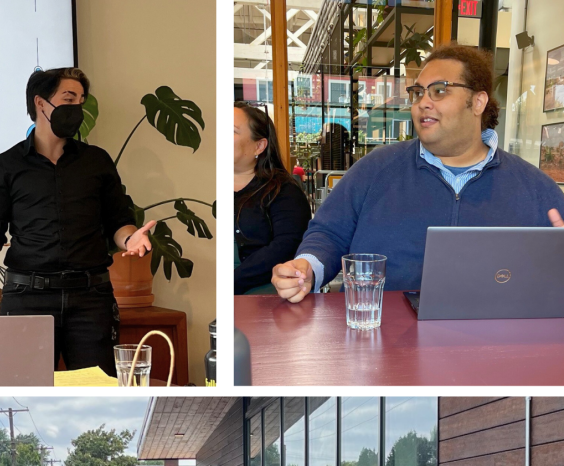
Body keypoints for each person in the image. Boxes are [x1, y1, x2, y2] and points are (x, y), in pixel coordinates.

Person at [272, 44, 564, 300]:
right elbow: (329, 233)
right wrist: (307, 268)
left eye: (439, 90)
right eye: (418, 92)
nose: (423, 101)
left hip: (493, 344)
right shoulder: (375, 169)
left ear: (478, 102)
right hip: (380, 339)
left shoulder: (535, 189)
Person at [0, 67, 155, 375]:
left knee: (96, 390)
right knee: (25, 387)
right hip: (26, 297)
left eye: (81, 100)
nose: (76, 108)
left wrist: (130, 239)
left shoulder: (96, 161)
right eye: (68, 98)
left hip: (91, 298)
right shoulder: (7, 165)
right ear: (41, 103)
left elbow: (118, 220)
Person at [234, 101, 311, 294]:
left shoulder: (283, 191)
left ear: (259, 146)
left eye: (231, 131)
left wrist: (229, 283)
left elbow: (286, 245)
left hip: (260, 297)